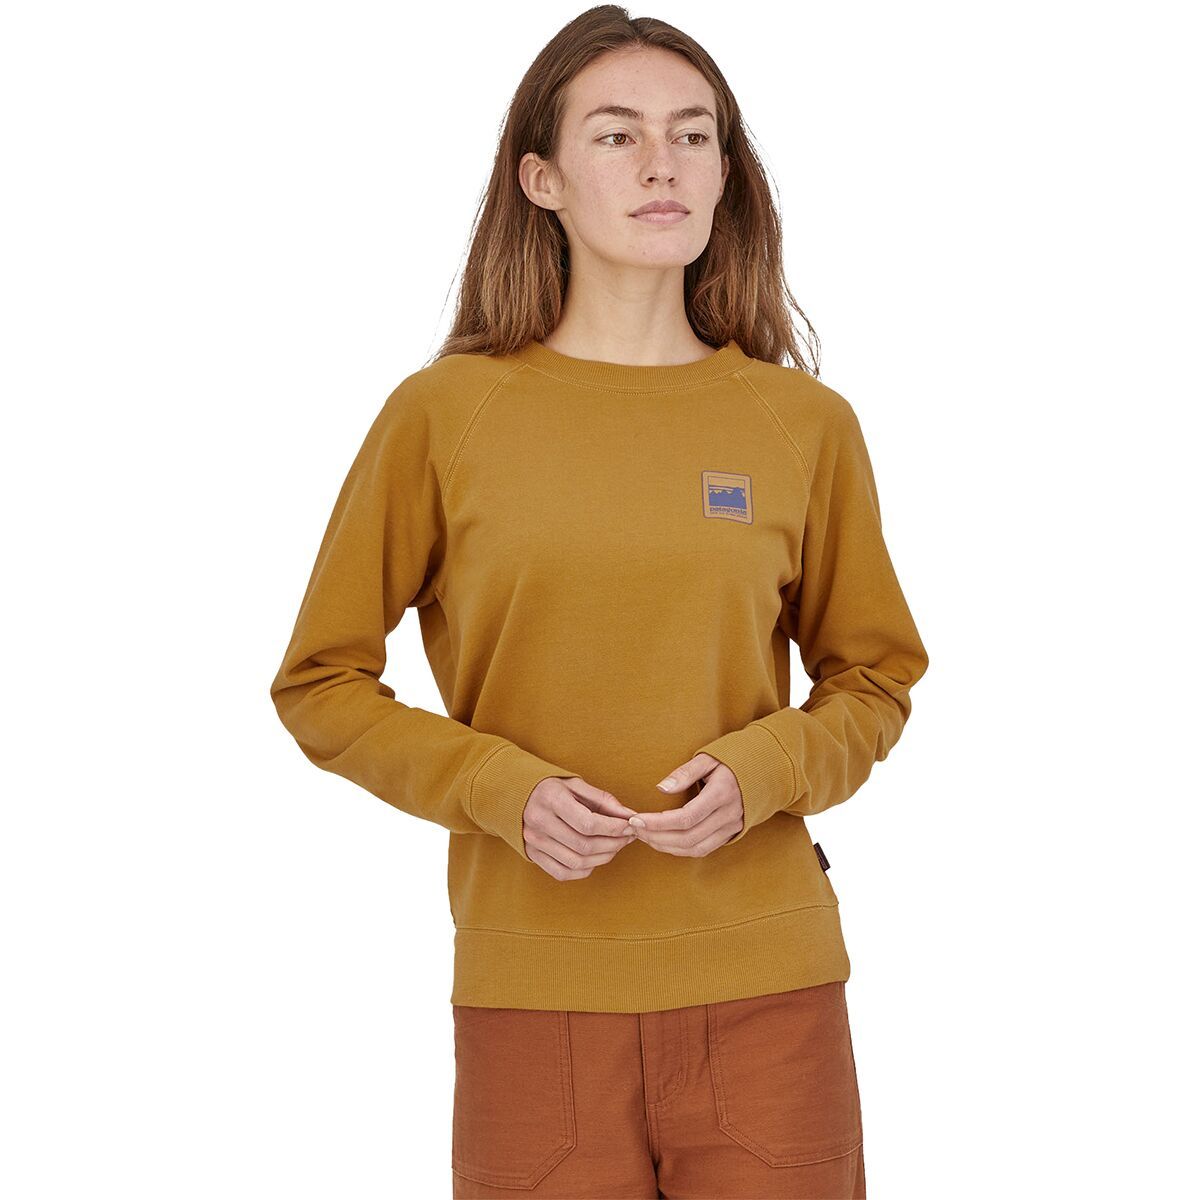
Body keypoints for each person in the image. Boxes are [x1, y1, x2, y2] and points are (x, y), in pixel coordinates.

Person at [268, 6, 929, 1197]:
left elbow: (876, 678)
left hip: (771, 992)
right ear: (543, 180)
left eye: (693, 134)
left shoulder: (802, 425)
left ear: (725, 174)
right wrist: (495, 787)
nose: (662, 163)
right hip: (535, 998)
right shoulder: (444, 416)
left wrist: (767, 769)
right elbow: (320, 683)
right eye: (618, 135)